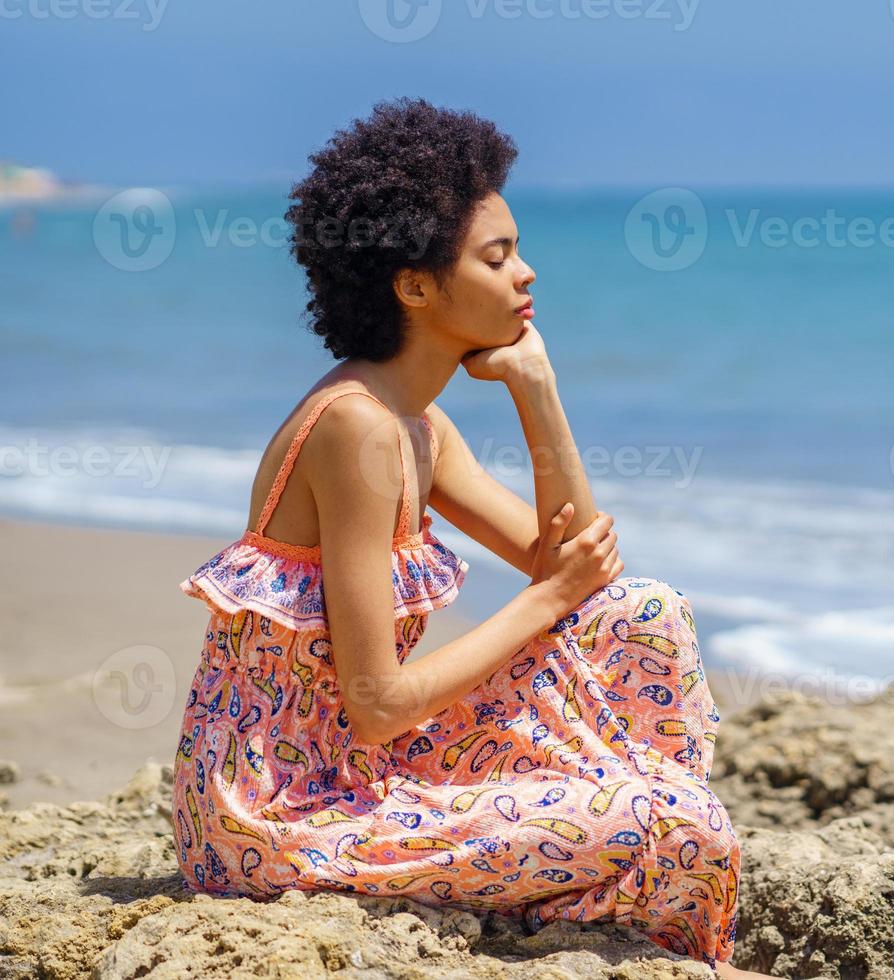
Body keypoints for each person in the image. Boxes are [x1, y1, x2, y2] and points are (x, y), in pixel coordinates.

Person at [172, 98, 767, 977]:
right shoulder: (358, 428)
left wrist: (537, 386)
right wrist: (547, 599)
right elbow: (378, 703)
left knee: (644, 616)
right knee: (679, 828)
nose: (527, 273)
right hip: (280, 813)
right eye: (497, 257)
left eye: (518, 248)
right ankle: (628, 869)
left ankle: (609, 858)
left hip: (359, 763)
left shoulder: (418, 424)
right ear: (414, 285)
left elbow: (579, 568)